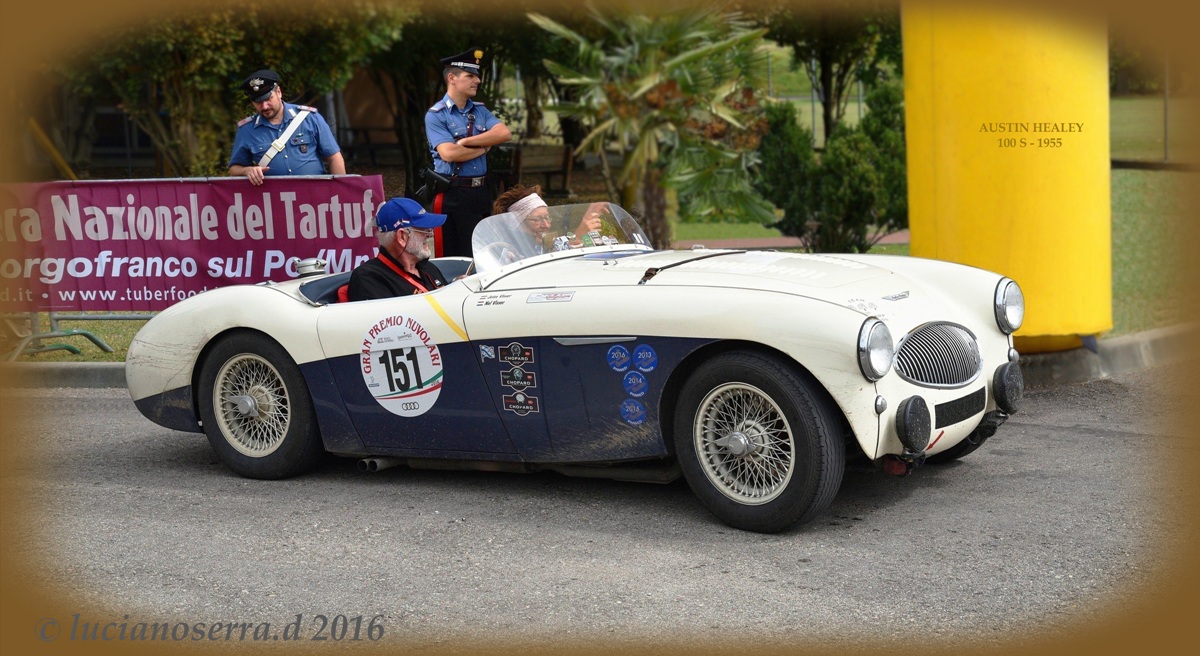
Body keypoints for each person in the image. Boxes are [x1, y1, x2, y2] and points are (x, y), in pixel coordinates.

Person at [425, 48, 512, 257]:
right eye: (470, 76)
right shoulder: (436, 115)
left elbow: (504, 133)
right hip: (453, 193)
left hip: (482, 192)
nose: (477, 80)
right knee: (456, 255)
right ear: (452, 78)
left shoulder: (480, 110)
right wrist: (485, 147)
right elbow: (449, 153)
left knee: (486, 253)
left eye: (477, 76)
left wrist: (466, 142)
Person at [228, 69, 346, 186]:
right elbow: (234, 169)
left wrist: (341, 191)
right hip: (273, 196)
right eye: (258, 102)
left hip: (314, 194)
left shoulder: (309, 118)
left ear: (279, 92)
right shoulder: (247, 130)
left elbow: (334, 158)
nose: (264, 106)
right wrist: (247, 170)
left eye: (268, 98)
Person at [346, 197, 448, 301]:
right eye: (425, 230)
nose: (431, 234)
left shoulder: (428, 268)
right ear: (402, 237)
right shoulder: (369, 278)